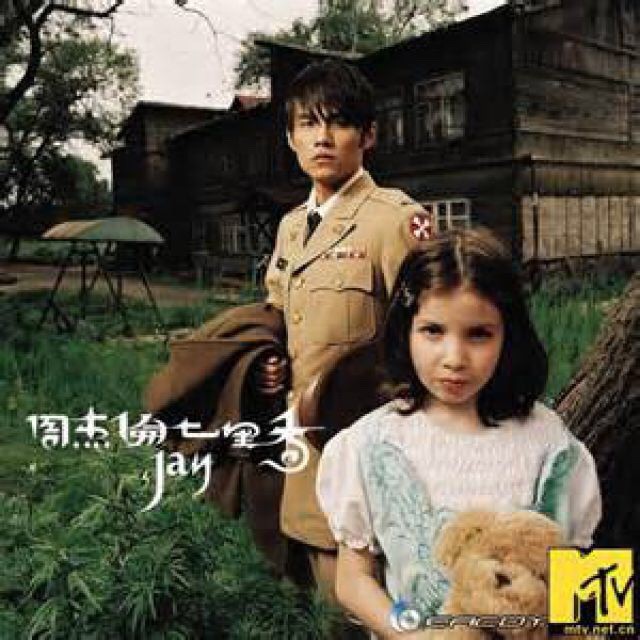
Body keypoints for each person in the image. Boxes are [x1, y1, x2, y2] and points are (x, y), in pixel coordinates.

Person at [316, 228, 602, 638]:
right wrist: (411, 634)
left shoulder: (548, 440)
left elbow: (585, 577)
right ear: (405, 329)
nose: (454, 358)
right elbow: (353, 580)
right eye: (433, 331)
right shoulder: (368, 444)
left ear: (508, 336)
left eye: (478, 334)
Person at [258, 59, 434, 595]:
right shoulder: (292, 226)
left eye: (338, 122)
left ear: (369, 135)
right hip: (301, 441)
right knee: (313, 583)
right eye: (308, 124)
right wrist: (270, 363)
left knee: (367, 595)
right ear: (290, 138)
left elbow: (431, 331)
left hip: (368, 444)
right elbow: (279, 313)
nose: (323, 138)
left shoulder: (394, 219)